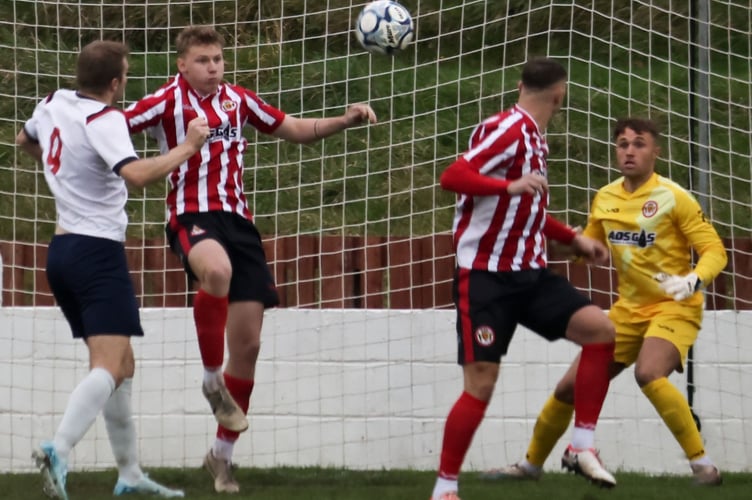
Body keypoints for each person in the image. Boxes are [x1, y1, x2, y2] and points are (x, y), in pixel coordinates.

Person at [124, 25, 377, 494]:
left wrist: (343, 120)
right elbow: (113, 128)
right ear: (182, 65)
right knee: (215, 271)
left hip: (239, 224)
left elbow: (294, 130)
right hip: (190, 216)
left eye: (218, 58)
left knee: (249, 347)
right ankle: (209, 379)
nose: (213, 67)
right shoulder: (164, 101)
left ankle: (221, 457)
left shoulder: (238, 100)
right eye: (203, 60)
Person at [15, 40, 210, 499]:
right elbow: (137, 175)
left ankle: (129, 472)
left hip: (62, 252)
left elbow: (24, 141)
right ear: (116, 82)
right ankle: (58, 449)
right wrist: (188, 145)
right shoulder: (106, 120)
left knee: (122, 364)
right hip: (96, 254)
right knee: (110, 365)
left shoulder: (53, 102)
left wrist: (67, 175)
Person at [486, 117, 728, 485]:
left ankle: (704, 467)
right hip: (627, 311)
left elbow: (714, 250)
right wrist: (565, 244)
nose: (630, 151)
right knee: (570, 387)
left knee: (648, 372)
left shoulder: (673, 197)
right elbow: (589, 250)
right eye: (623, 144)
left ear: (656, 152)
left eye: (639, 144)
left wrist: (694, 279)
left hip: (674, 305)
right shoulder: (606, 197)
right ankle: (530, 466)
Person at [429, 57, 617, 500]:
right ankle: (445, 489)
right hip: (486, 278)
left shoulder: (533, 138)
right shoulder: (508, 129)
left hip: (530, 273)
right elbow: (452, 176)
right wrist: (505, 187)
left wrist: (573, 238)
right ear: (560, 94)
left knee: (601, 332)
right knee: (481, 384)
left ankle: (581, 446)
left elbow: (526, 208)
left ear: (520, 84)